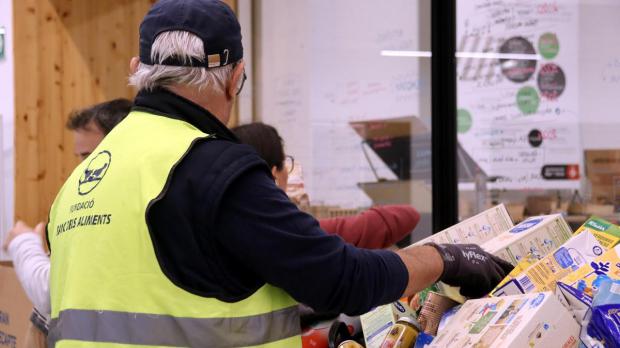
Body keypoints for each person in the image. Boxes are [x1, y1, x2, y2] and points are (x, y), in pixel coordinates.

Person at [45, 1, 513, 347]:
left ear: (137, 71)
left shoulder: (78, 185)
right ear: (235, 77)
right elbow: (340, 278)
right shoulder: (212, 171)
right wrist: (445, 259)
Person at [2, 99, 132, 344]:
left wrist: (23, 242)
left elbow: (52, 292)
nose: (82, 169)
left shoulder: (116, 202)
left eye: (89, 155)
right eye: (80, 157)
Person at [232, 122, 419, 249]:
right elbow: (406, 216)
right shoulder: (293, 234)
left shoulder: (227, 230)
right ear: (273, 174)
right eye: (285, 163)